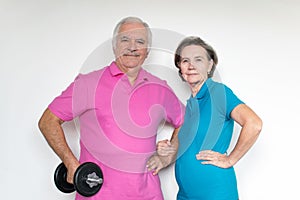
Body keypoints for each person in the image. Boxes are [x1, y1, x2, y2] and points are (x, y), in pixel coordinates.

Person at [38, 16, 184, 200]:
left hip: (148, 195)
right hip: (98, 195)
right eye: (125, 39)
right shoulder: (88, 83)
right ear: (114, 46)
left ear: (147, 51)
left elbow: (186, 123)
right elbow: (48, 121)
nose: (132, 47)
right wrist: (70, 162)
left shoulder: (159, 88)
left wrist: (166, 158)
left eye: (140, 41)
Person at [157, 36, 263, 200]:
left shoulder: (218, 93)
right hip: (185, 194)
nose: (191, 66)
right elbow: (189, 147)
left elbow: (254, 124)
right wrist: (167, 149)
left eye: (198, 60)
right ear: (180, 67)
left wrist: (230, 160)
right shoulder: (190, 106)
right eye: (185, 60)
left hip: (215, 193)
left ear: (210, 64)